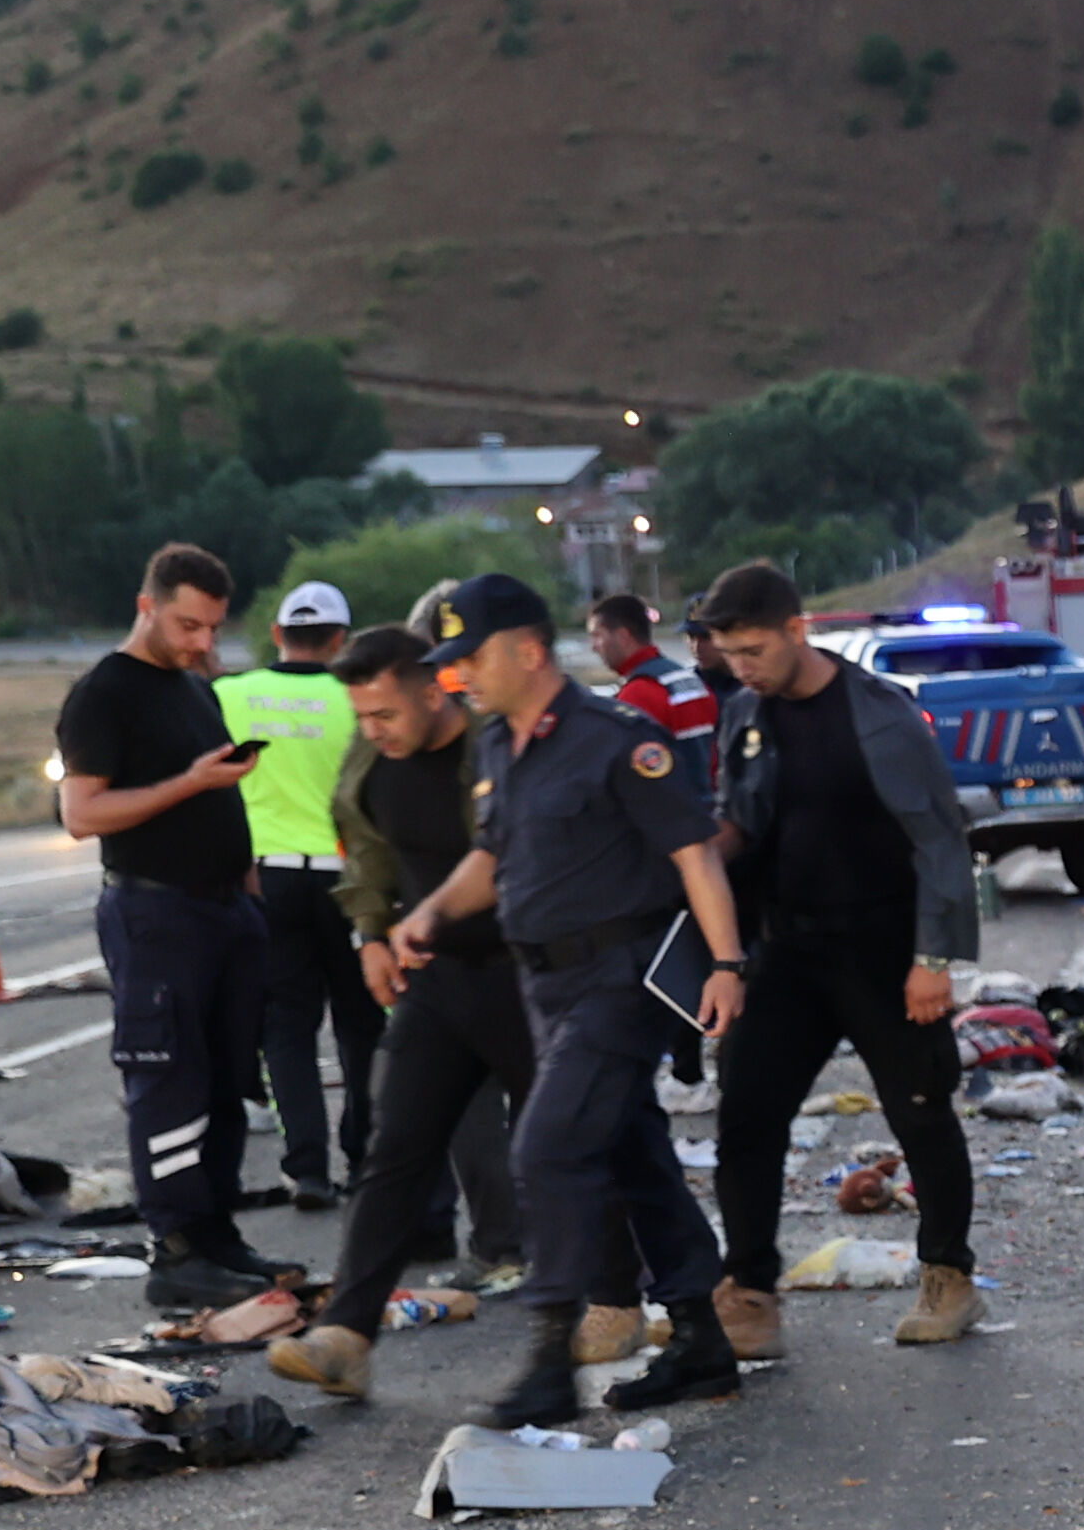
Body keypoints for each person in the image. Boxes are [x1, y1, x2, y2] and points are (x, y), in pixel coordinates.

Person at [388, 574, 755, 1427]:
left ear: (526, 649)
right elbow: (495, 857)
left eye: (469, 658)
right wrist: (433, 912)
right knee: (632, 1155)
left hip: (618, 981)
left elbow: (695, 854)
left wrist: (728, 964)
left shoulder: (616, 738)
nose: (458, 676)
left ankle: (550, 1358)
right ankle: (700, 1335)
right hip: (544, 985)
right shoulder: (496, 746)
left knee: (547, 1147)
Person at [269, 625, 589, 1397]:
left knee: (584, 1141)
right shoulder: (372, 755)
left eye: (385, 714)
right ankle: (346, 1331)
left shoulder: (495, 747)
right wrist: (371, 933)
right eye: (362, 718)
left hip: (526, 977)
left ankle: (640, 1296)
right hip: (438, 980)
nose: (372, 731)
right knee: (396, 1147)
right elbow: (363, 843)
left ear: (432, 689)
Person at [703, 558, 989, 1353]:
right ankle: (751, 1293)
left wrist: (933, 958)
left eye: (754, 650)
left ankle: (948, 1277)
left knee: (922, 1114)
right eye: (731, 656)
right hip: (786, 950)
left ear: (798, 630)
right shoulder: (743, 716)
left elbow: (939, 840)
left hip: (883, 948)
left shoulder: (881, 718)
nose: (743, 668)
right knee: (747, 1119)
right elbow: (740, 822)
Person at [56, 544, 286, 1292]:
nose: (202, 643)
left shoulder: (195, 689)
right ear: (146, 605)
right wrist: (188, 784)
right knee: (169, 1081)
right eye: (188, 625)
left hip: (224, 910)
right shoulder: (105, 694)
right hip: (156, 911)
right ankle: (178, 1244)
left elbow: (222, 799)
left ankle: (217, 1232)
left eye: (213, 628)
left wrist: (250, 896)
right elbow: (82, 813)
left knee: (226, 1080)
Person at [220, 579, 377, 1215]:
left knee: (286, 1028)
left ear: (278, 634)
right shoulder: (357, 699)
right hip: (346, 878)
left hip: (267, 878)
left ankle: (306, 1166)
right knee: (360, 1026)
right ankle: (365, 1157)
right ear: (341, 640)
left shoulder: (231, 695)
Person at [588, 590, 720, 793]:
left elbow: (635, 778)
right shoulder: (685, 677)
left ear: (623, 636)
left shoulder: (638, 693)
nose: (593, 647)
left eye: (597, 636)